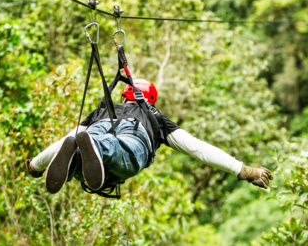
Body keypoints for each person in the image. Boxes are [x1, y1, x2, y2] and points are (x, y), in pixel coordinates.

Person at [26, 79, 273, 195]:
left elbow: (68, 137)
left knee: (83, 136)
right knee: (101, 143)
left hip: (103, 131)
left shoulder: (105, 108)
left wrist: (35, 165)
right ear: (150, 98)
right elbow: (198, 148)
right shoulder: (155, 117)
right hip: (133, 142)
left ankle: (81, 156)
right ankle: (87, 153)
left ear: (123, 95)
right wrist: (244, 170)